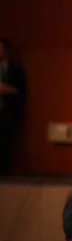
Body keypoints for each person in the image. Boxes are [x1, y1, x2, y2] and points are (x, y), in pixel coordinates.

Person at [0, 38, 27, 176]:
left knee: (6, 142)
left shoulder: (16, 69)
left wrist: (9, 90)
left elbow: (21, 90)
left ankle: (6, 172)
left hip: (8, 111)